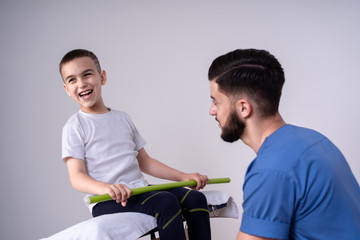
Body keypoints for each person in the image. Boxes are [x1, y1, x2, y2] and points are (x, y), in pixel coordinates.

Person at [207, 49, 360, 240]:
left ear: (243, 108)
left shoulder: (271, 170)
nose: (212, 111)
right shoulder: (315, 141)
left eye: (216, 101)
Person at [59, 49, 211, 240]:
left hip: (139, 190)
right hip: (106, 200)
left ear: (102, 77)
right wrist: (107, 188)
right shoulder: (75, 126)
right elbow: (77, 177)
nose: (81, 84)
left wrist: (184, 176)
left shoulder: (123, 119)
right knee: (165, 202)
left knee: (196, 199)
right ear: (66, 89)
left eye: (87, 74)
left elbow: (145, 162)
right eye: (72, 79)